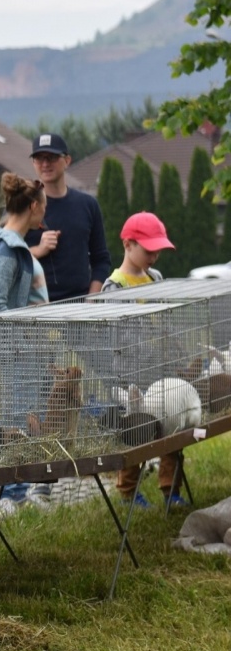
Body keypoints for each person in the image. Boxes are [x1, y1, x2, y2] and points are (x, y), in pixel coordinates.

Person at [103, 213, 186, 508]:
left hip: (162, 372)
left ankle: (171, 490)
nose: (155, 255)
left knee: (172, 431)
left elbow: (167, 323)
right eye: (149, 250)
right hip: (132, 377)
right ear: (128, 244)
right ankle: (128, 492)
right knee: (137, 433)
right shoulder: (114, 288)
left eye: (158, 250)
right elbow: (119, 340)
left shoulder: (156, 279)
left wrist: (176, 356)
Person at [26, 133, 111, 301]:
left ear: (67, 160)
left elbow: (101, 259)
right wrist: (39, 250)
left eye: (52, 158)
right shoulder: (25, 206)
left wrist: (91, 300)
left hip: (80, 308)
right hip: (35, 307)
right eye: (39, 158)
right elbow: (5, 258)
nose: (45, 164)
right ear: (33, 163)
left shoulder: (88, 205)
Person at [0, 174, 46, 316]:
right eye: (45, 207)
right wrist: (18, 338)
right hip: (9, 339)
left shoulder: (14, 245)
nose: (45, 212)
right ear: (34, 206)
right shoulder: (6, 250)